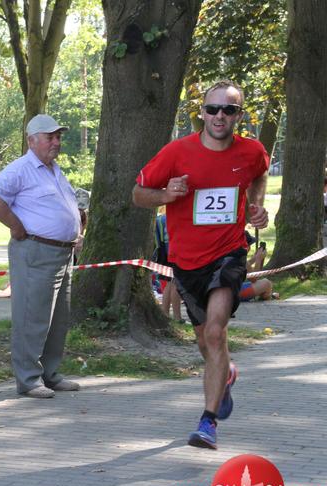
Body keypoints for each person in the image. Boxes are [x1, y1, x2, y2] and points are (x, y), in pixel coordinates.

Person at [132, 80, 269, 450]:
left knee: (215, 332)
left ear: (239, 115)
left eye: (229, 109)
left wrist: (255, 205)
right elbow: (138, 194)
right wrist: (166, 194)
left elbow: (259, 174)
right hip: (187, 261)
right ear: (203, 113)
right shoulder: (177, 153)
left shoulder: (252, 151)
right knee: (204, 342)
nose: (220, 116)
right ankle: (225, 373)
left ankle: (208, 422)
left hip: (229, 254)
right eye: (213, 109)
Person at [0, 114, 81, 399]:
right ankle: (28, 379)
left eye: (58, 137)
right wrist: (15, 225)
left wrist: (75, 230)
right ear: (32, 140)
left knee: (57, 320)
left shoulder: (54, 170)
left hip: (62, 254)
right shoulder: (21, 169)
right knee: (32, 317)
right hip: (36, 251)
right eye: (50, 137)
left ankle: (50, 374)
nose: (56, 142)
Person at [154, 207, 182, 321]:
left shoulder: (160, 218)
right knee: (177, 283)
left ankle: (165, 313)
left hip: (164, 254)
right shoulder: (178, 217)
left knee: (170, 283)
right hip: (176, 252)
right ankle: (177, 317)